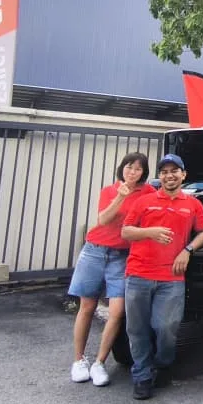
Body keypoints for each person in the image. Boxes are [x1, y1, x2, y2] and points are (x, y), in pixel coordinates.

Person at [121, 154, 203, 400]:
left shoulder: (193, 204)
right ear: (158, 176)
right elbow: (126, 231)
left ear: (183, 174)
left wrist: (188, 250)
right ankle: (141, 376)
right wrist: (150, 232)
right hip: (139, 273)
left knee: (167, 327)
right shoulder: (143, 201)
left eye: (174, 171)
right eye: (164, 171)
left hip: (172, 277)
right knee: (136, 329)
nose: (169, 175)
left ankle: (162, 364)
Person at [68, 152, 155, 387]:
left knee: (117, 311)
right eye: (129, 167)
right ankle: (78, 360)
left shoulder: (148, 193)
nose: (132, 172)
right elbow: (103, 220)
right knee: (87, 306)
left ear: (144, 173)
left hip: (122, 256)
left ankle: (99, 362)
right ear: (122, 168)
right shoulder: (110, 190)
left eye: (138, 169)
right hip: (95, 250)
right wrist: (120, 197)